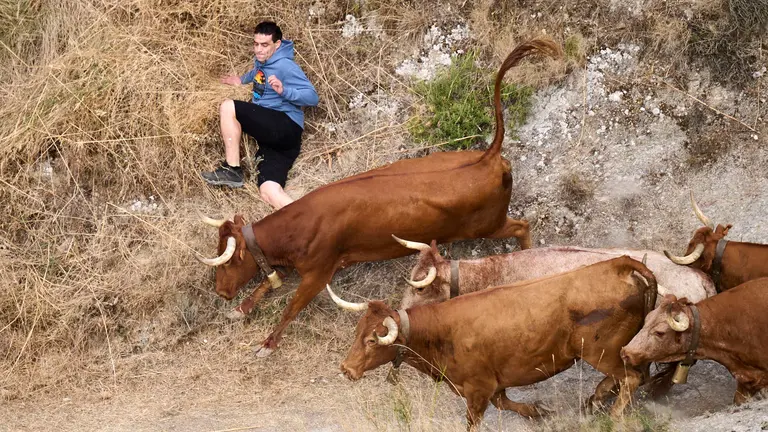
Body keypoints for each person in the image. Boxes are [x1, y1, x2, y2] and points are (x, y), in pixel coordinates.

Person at [201, 21, 319, 210]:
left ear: (277, 45)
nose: (258, 50)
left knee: (228, 107)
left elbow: (313, 97)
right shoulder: (263, 61)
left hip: (284, 124)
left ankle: (232, 169)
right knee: (269, 191)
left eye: (264, 45)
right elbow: (258, 72)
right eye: (256, 44)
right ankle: (309, 221)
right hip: (279, 143)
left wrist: (285, 91)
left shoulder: (285, 66)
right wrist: (240, 79)